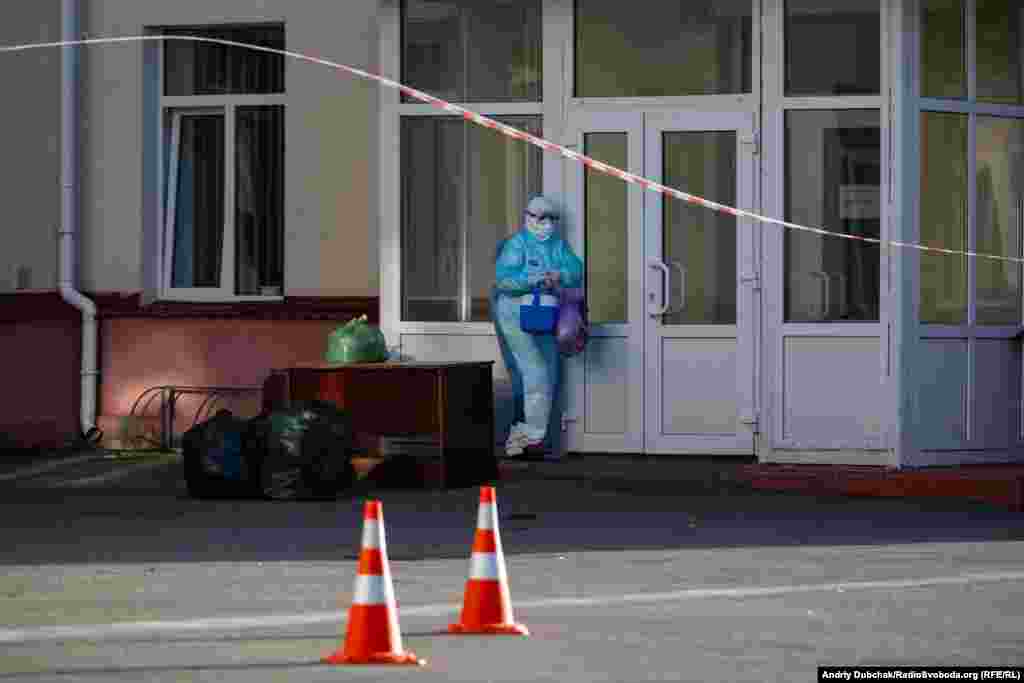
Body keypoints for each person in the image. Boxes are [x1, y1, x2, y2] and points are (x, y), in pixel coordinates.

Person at [493, 195, 583, 458]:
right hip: (514, 315)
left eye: (550, 219)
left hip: (543, 315)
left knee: (543, 375)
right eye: (539, 218)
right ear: (528, 218)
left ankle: (530, 436)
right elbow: (504, 281)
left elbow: (575, 269)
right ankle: (528, 436)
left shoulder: (557, 246)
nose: (544, 224)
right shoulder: (517, 245)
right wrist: (534, 279)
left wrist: (560, 275)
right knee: (534, 372)